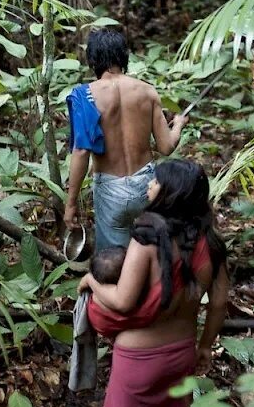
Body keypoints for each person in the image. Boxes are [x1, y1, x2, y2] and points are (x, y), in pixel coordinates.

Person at [79, 159, 230, 407]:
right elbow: (220, 302)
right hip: (181, 353)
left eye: (155, 181)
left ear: (170, 192)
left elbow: (121, 300)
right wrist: (206, 346)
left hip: (138, 358)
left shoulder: (147, 236)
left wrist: (89, 283)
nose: (148, 185)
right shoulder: (210, 240)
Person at [65, 28, 188, 251]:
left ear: (93, 60)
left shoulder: (84, 95)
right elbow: (166, 146)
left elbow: (81, 152)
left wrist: (71, 203)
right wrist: (178, 125)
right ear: (123, 57)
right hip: (147, 185)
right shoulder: (147, 91)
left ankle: (115, 286)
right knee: (151, 252)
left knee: (112, 259)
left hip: (110, 189)